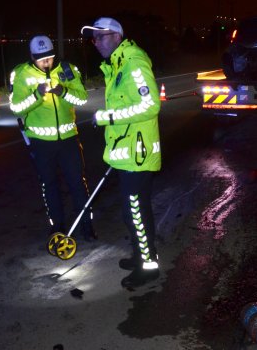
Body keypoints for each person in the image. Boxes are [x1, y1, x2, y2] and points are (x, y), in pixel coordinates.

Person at [81, 17, 162, 287]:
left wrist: (106, 116)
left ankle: (148, 266)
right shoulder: (116, 64)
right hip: (126, 152)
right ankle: (142, 255)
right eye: (93, 38)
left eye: (101, 36)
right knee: (132, 211)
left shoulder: (133, 62)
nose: (96, 42)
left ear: (117, 36)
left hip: (137, 154)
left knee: (136, 212)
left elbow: (150, 105)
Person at [9, 35, 94, 241]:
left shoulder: (67, 70)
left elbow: (82, 99)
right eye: (41, 59)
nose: (46, 63)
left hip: (68, 139)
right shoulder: (20, 74)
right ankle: (57, 227)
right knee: (49, 185)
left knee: (78, 183)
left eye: (49, 58)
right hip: (40, 142)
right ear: (32, 56)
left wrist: (63, 91)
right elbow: (16, 108)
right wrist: (37, 95)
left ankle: (86, 226)